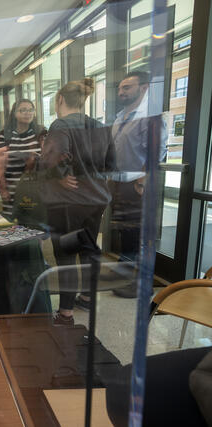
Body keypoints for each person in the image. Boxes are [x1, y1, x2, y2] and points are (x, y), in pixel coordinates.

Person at [38, 78, 116, 326]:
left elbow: (49, 160)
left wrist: (60, 176)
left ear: (60, 99)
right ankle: (87, 297)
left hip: (68, 203)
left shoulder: (60, 125)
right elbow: (111, 163)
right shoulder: (99, 125)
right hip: (96, 199)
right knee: (90, 249)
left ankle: (66, 313)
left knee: (66, 255)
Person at [110, 71, 168, 298]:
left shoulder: (150, 117)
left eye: (127, 87)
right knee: (127, 233)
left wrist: (142, 182)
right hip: (120, 184)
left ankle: (137, 284)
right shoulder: (121, 116)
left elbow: (156, 153)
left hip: (137, 186)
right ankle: (125, 277)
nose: (121, 92)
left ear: (143, 88)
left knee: (137, 234)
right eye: (120, 88)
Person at [0, 99, 46, 218]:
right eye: (23, 110)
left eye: (31, 110)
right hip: (12, 189)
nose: (28, 113)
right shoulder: (5, 134)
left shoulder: (39, 132)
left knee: (35, 223)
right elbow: (0, 164)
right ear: (15, 113)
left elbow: (47, 158)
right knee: (14, 224)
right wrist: (3, 189)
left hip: (35, 188)